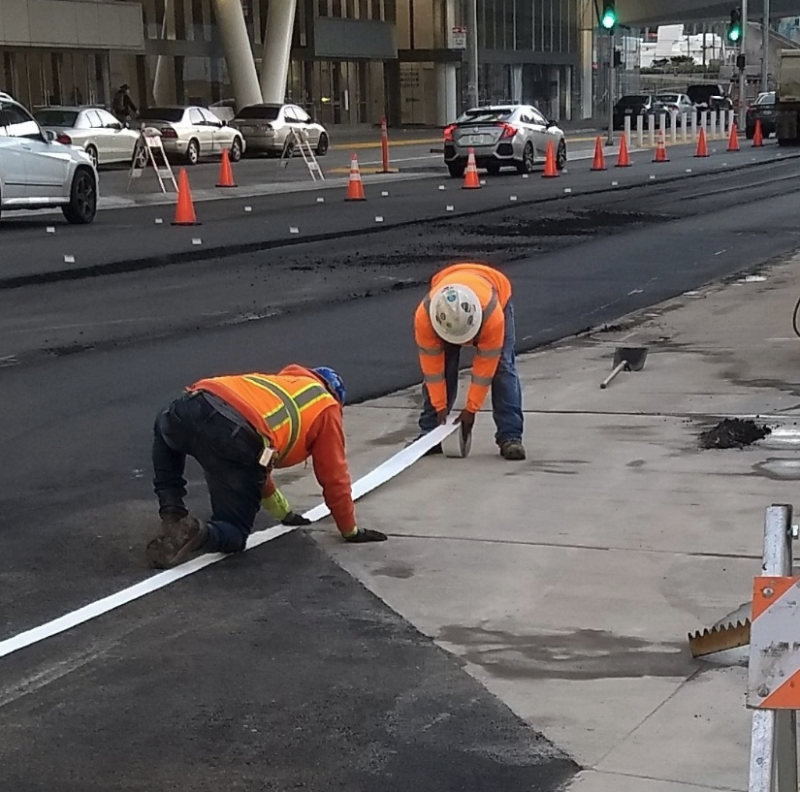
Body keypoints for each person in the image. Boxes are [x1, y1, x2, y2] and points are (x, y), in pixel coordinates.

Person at [147, 364, 387, 569]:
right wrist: (350, 530)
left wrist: (285, 514)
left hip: (195, 400)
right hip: (235, 435)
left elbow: (261, 470)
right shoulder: (326, 408)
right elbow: (335, 478)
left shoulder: (279, 386)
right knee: (234, 534)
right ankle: (196, 532)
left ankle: (172, 512)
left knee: (165, 427)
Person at [414, 263, 526, 460]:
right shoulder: (425, 317)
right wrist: (440, 407)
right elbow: (433, 372)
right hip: (450, 294)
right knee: (443, 365)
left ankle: (510, 436)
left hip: (494, 289)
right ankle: (431, 433)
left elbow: (484, 372)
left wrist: (471, 409)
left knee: (502, 368)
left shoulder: (493, 316)